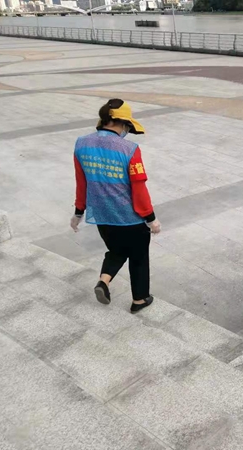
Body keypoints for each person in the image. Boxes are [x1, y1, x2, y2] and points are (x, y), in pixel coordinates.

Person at [70, 98, 161, 314]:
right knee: (138, 257)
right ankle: (139, 299)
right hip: (130, 217)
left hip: (101, 215)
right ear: (121, 123)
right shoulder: (130, 149)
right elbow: (138, 188)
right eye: (127, 126)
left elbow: (81, 183)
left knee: (117, 249)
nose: (127, 131)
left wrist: (78, 213)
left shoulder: (81, 144)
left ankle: (103, 281)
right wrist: (151, 219)